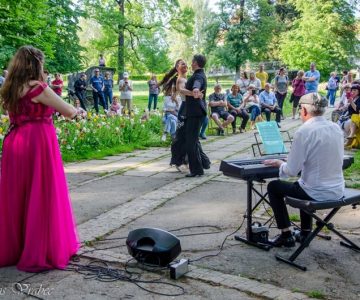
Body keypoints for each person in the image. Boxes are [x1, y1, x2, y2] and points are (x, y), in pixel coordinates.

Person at [0, 45, 79, 271]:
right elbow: (68, 110)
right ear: (37, 64)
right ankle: (39, 250)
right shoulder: (39, 88)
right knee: (41, 193)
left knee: (16, 196)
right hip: (37, 143)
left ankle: (14, 249)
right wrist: (78, 112)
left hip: (15, 142)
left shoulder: (10, 88)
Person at [263, 93, 344, 247]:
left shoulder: (304, 131)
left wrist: (281, 163)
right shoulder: (335, 127)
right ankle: (305, 232)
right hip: (337, 189)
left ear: (305, 111)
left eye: (300, 109)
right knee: (302, 183)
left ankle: (286, 235)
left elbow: (291, 171)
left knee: (274, 186)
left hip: (317, 192)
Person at [185, 54, 209, 177]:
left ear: (196, 63)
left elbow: (197, 83)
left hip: (195, 113)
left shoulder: (198, 75)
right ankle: (205, 162)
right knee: (193, 140)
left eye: (192, 61)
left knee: (190, 142)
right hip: (195, 112)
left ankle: (196, 170)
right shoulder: (198, 74)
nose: (191, 63)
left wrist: (195, 89)